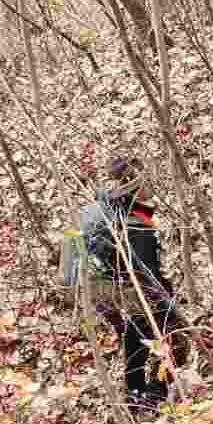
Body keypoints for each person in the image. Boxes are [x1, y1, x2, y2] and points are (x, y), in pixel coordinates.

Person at [83, 155, 186, 409]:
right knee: (176, 337)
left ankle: (134, 393)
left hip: (102, 290)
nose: (151, 185)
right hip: (127, 288)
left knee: (135, 332)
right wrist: (166, 303)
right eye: (145, 181)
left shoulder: (103, 211)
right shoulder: (137, 225)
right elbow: (147, 276)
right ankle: (154, 395)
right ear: (133, 188)